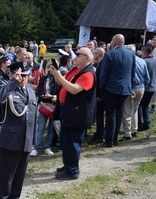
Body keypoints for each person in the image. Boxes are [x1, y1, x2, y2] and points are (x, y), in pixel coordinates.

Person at [0, 62, 37, 199]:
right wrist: (13, 82)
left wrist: (33, 141)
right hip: (10, 142)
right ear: (12, 75)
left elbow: (33, 118)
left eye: (25, 75)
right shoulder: (7, 90)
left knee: (19, 176)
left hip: (25, 141)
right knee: (6, 177)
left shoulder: (31, 92)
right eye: (20, 75)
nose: (23, 79)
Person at [49, 47, 96, 180]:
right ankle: (68, 165)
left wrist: (59, 76)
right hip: (68, 110)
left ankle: (72, 171)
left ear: (87, 58)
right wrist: (55, 73)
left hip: (77, 113)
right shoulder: (76, 69)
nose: (75, 58)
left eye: (78, 55)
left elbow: (74, 89)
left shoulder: (88, 74)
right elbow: (62, 82)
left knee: (72, 142)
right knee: (66, 140)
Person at [99, 34, 135, 147]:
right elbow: (132, 74)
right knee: (119, 113)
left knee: (111, 115)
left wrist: (102, 88)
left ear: (113, 42)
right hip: (125, 89)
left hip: (110, 89)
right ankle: (114, 139)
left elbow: (103, 74)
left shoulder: (109, 54)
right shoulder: (131, 55)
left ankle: (109, 141)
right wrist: (131, 88)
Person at [30, 61, 60, 157]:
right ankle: (36, 148)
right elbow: (39, 91)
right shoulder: (44, 78)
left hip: (54, 106)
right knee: (41, 128)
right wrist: (43, 96)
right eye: (49, 67)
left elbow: (60, 92)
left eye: (52, 68)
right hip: (44, 105)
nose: (50, 70)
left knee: (51, 129)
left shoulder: (59, 79)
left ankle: (47, 147)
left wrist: (52, 96)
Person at [120, 45, 147, 140]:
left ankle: (127, 133)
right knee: (135, 109)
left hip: (131, 88)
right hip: (141, 87)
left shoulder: (127, 62)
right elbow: (147, 77)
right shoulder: (142, 61)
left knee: (127, 111)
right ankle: (134, 129)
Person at [138, 45, 156, 131]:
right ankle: (147, 122)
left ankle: (139, 124)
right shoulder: (155, 61)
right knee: (146, 106)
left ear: (144, 52)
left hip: (145, 87)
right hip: (153, 87)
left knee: (140, 106)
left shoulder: (143, 61)